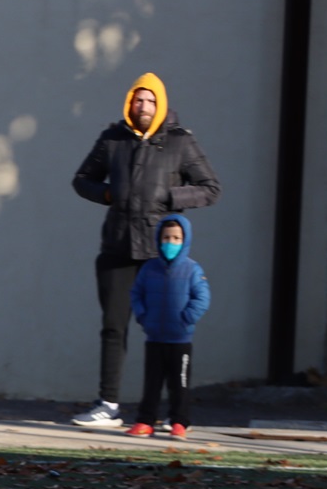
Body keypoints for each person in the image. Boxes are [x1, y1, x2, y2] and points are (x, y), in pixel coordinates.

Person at [70, 72, 219, 428]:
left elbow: (210, 188)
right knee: (113, 327)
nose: (144, 106)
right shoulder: (113, 139)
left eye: (151, 100)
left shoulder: (180, 142)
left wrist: (170, 197)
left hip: (161, 254)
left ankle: (173, 413)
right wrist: (107, 193)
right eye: (139, 100)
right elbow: (82, 180)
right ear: (129, 103)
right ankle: (108, 405)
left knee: (168, 332)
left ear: (161, 104)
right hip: (118, 247)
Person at [126, 215, 209, 439]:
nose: (170, 242)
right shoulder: (149, 268)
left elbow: (202, 298)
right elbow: (136, 294)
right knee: (151, 383)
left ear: (185, 240)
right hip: (154, 338)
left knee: (179, 384)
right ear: (158, 239)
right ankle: (145, 421)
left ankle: (179, 422)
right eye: (166, 238)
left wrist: (186, 319)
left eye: (176, 238)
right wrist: (143, 317)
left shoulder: (192, 269)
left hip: (180, 340)